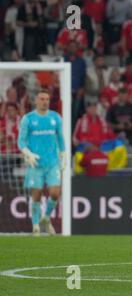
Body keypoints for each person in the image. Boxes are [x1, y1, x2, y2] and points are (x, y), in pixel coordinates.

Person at [17, 89, 66, 236]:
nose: (45, 102)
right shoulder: (28, 118)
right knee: (36, 195)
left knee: (55, 193)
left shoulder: (55, 117)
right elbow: (21, 141)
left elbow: (61, 138)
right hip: (35, 164)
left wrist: (63, 155)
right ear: (36, 101)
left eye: (47, 99)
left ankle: (46, 217)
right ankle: (36, 226)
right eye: (42, 99)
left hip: (52, 163)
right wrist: (28, 153)